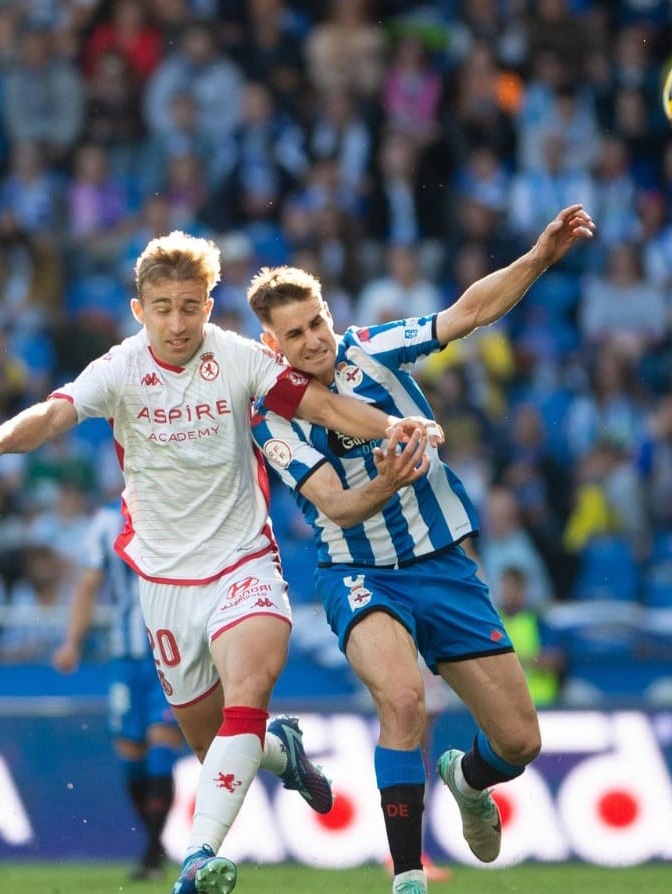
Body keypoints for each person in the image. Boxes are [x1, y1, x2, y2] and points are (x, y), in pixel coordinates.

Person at [0, 231, 438, 894]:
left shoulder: (239, 359)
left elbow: (319, 405)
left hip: (244, 561)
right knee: (216, 752)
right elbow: (55, 413)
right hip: (164, 583)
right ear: (138, 310)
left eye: (190, 305)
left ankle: (197, 858)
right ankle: (279, 750)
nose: (178, 322)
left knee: (248, 695)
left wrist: (391, 427)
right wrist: (0, 439)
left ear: (210, 305)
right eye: (163, 307)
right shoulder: (121, 369)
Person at [246, 205, 594, 894]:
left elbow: (462, 314)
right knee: (404, 701)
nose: (315, 340)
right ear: (270, 341)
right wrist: (385, 478)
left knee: (520, 743)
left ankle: (468, 780)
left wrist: (537, 258)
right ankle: (408, 876)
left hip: (444, 565)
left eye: (318, 321)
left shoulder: (368, 348)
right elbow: (339, 506)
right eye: (297, 333)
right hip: (359, 572)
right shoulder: (269, 417)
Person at [54, 501, 187, 881]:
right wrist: (72, 642)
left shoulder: (179, 505)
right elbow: (88, 585)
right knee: (131, 753)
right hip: (126, 658)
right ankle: (155, 845)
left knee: (161, 745)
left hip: (172, 653)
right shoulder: (106, 520)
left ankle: (149, 854)